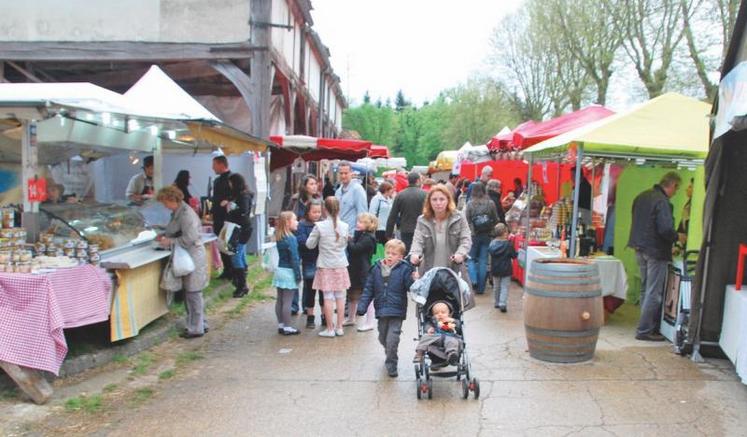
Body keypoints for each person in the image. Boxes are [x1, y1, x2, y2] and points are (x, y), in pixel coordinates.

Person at [628, 172, 681, 342]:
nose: (676, 192)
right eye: (676, 188)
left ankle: (644, 325)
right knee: (654, 292)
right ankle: (645, 330)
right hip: (656, 251)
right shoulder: (662, 201)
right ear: (672, 185)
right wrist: (677, 237)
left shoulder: (641, 196)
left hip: (639, 247)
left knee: (645, 288)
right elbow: (665, 228)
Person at [356, 239, 414, 377]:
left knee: (392, 338)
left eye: (393, 254)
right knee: (383, 337)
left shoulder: (404, 269)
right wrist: (362, 306)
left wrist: (414, 280)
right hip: (381, 309)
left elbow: (410, 287)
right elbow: (369, 289)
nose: (389, 256)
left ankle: (391, 364)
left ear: (400, 257)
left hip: (397, 310)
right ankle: (389, 351)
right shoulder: (376, 269)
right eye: (388, 252)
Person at [157, 186, 208, 339]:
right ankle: (200, 324)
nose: (164, 206)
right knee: (192, 293)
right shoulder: (178, 212)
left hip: (193, 256)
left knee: (193, 292)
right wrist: (163, 234)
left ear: (172, 200)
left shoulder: (186, 215)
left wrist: (169, 241)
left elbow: (189, 238)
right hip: (188, 255)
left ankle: (195, 328)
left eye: (165, 202)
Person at [306, 196, 350, 338]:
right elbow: (344, 245)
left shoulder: (319, 226)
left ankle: (330, 329)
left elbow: (309, 244)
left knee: (328, 297)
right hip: (340, 264)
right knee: (340, 296)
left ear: (325, 209)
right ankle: (340, 327)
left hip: (325, 265)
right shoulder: (345, 226)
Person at [410, 184, 472, 278]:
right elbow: (417, 240)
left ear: (448, 200)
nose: (438, 203)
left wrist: (461, 253)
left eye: (442, 199)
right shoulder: (422, 220)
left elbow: (466, 239)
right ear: (429, 202)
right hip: (429, 272)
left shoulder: (459, 218)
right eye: (434, 200)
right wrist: (415, 254)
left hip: (453, 271)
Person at [344, 212, 377, 329]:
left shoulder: (368, 238)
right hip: (354, 269)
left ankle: (369, 322)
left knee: (366, 296)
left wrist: (349, 240)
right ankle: (351, 318)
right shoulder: (362, 235)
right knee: (351, 294)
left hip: (363, 270)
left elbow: (355, 249)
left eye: (362, 222)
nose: (358, 223)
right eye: (358, 221)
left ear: (369, 225)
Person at [465, 182, 499, 294]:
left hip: (474, 235)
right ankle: (481, 288)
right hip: (487, 234)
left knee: (470, 259)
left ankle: (473, 280)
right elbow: (495, 219)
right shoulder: (490, 203)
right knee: (483, 261)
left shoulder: (470, 204)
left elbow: (467, 220)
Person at [224, 173, 254, 298]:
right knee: (240, 254)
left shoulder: (243, 195)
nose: (229, 185)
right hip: (240, 227)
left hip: (241, 228)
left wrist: (231, 209)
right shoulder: (240, 195)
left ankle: (242, 285)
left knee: (236, 255)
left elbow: (244, 211)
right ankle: (242, 282)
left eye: (231, 182)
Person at [272, 211, 301, 336]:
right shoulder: (291, 238)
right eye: (294, 220)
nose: (297, 222)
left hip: (280, 270)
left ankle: (281, 324)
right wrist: (298, 275)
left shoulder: (279, 236)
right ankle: (288, 326)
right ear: (288, 222)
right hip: (289, 271)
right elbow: (294, 258)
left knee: (280, 300)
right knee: (288, 301)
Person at [296, 199, 324, 329]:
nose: (317, 214)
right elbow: (301, 241)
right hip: (309, 261)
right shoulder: (302, 225)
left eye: (319, 211)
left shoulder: (324, 224)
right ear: (308, 212)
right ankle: (310, 316)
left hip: (323, 262)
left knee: (324, 291)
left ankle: (324, 315)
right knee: (310, 290)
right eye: (314, 212)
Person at [385, 171, 427, 252]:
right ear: (418, 181)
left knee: (406, 253)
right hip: (422, 229)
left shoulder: (400, 195)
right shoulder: (425, 194)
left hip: (405, 229)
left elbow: (393, 216)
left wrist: (388, 234)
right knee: (420, 253)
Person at [412, 302, 463, 367]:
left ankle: (452, 356)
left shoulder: (452, 321)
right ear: (433, 315)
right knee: (425, 337)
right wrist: (429, 329)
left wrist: (452, 321)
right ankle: (420, 352)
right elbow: (426, 326)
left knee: (453, 342)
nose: (440, 314)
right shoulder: (432, 322)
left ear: (449, 314)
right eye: (436, 313)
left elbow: (458, 327)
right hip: (436, 339)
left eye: (443, 312)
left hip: (450, 337)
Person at [210, 155, 234, 280]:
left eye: (214, 165)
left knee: (228, 244)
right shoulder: (217, 181)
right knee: (220, 244)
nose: (212, 168)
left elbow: (238, 196)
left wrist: (228, 200)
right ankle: (226, 269)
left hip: (228, 218)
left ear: (221, 164)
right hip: (218, 217)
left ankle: (233, 269)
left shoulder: (232, 179)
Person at [489, 223, 517, 312]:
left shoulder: (492, 244)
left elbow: (490, 254)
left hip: (495, 269)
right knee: (504, 286)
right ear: (505, 233)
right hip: (506, 269)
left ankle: (496, 302)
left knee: (496, 287)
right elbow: (514, 255)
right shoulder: (508, 245)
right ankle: (502, 303)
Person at [335, 161, 368, 231]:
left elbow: (362, 213)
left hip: (351, 234)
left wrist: (358, 232)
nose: (343, 176)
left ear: (351, 173)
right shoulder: (338, 192)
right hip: (339, 233)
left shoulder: (357, 189)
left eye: (346, 173)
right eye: (341, 173)